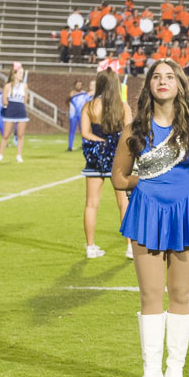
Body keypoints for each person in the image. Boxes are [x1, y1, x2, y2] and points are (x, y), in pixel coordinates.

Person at [111, 58, 189, 377]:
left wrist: (188, 188)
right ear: (148, 86)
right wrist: (147, 182)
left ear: (179, 85)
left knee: (180, 295)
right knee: (149, 295)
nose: (162, 81)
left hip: (187, 213)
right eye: (156, 77)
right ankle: (150, 374)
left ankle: (174, 370)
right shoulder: (135, 129)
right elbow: (118, 176)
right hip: (146, 212)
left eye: (169, 76)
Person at [82, 64, 134, 259]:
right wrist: (112, 144)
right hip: (117, 160)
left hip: (95, 159)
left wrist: (100, 143)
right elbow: (129, 132)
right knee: (124, 203)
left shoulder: (90, 106)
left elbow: (86, 133)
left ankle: (90, 247)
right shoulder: (123, 106)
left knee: (91, 204)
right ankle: (130, 247)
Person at [0, 62, 29, 163]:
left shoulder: (24, 86)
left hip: (21, 110)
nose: (22, 75)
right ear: (14, 74)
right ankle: (0, 154)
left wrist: (20, 104)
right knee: (5, 134)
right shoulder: (7, 86)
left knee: (20, 135)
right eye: (20, 73)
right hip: (10, 110)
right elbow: (4, 100)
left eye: (22, 73)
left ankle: (19, 155)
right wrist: (8, 107)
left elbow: (25, 100)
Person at [67, 80, 90, 152]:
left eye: (80, 85)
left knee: (83, 130)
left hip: (82, 114)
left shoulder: (84, 94)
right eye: (77, 85)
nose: (79, 86)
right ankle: (70, 146)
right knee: (72, 130)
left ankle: (84, 145)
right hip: (73, 115)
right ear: (75, 85)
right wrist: (71, 108)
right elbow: (67, 101)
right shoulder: (72, 93)